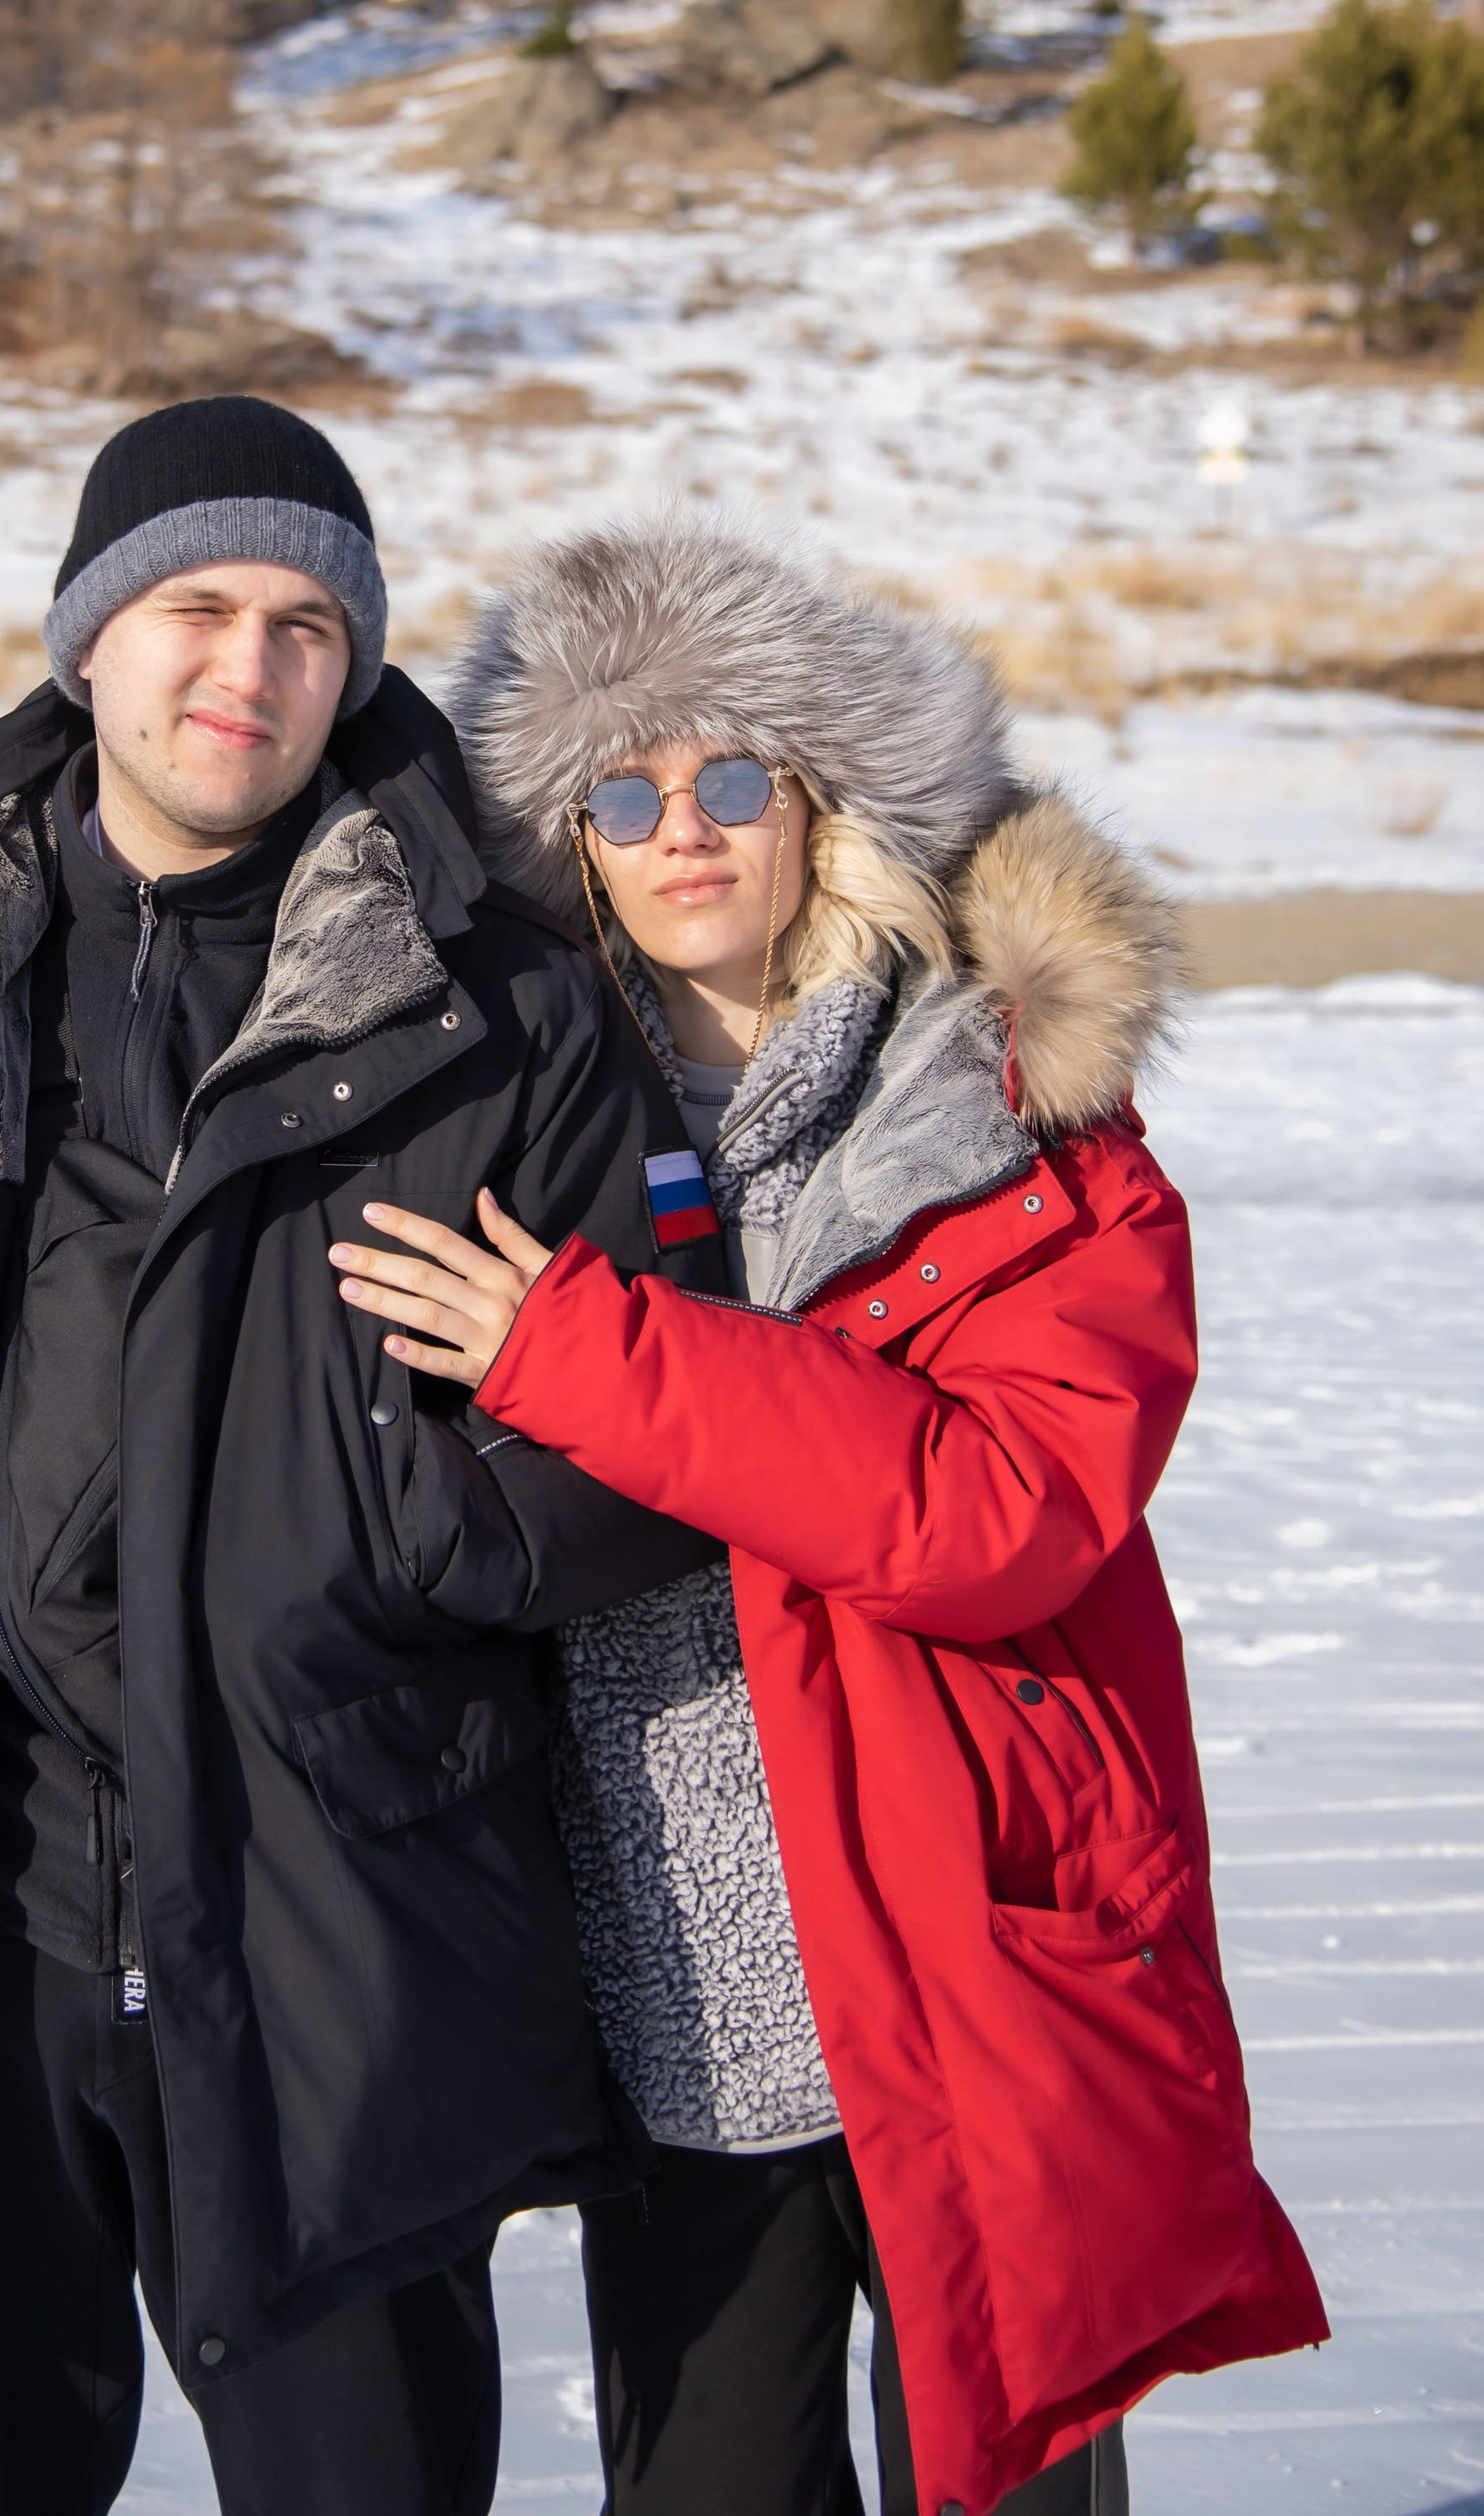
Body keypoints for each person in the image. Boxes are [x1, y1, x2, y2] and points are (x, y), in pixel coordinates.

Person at [0, 400, 731, 2516]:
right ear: (87, 639)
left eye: (308, 624)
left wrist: (405, 1527)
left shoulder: (501, 1013)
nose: (248, 666)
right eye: (196, 606)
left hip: (338, 1904)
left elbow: (659, 1423)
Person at [329, 509, 1329, 2516]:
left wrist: (590, 1357)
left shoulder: (1015, 1120)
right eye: (621, 795)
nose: (680, 831)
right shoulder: (519, 1132)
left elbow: (1000, 1510)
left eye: (729, 779)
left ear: (822, 805)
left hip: (970, 1959)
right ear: (572, 848)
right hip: (668, 1990)